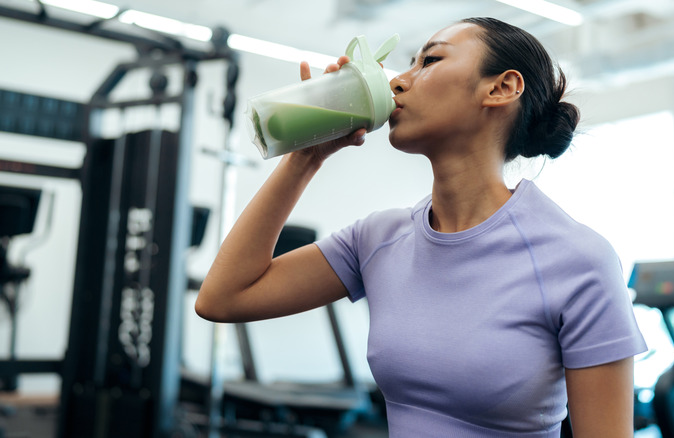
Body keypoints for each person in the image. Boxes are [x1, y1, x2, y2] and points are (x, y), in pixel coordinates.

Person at [196, 17, 647, 437]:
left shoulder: (578, 260)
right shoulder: (377, 238)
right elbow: (223, 298)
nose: (397, 81)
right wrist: (306, 156)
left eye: (429, 61)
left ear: (502, 88)